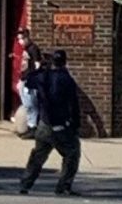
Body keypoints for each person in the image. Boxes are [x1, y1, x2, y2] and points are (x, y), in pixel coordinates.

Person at [20, 49, 82, 196]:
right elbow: (73, 104)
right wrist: (75, 124)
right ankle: (63, 186)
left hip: (44, 123)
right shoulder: (67, 79)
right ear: (64, 62)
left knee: (38, 156)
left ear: (52, 62)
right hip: (61, 125)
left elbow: (27, 80)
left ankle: (25, 184)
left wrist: (41, 68)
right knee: (72, 153)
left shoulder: (42, 77)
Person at [16, 28, 42, 139]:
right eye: (18, 39)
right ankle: (30, 127)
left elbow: (37, 65)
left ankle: (33, 128)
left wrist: (31, 79)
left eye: (22, 38)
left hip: (30, 81)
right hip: (25, 80)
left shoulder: (33, 49)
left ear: (27, 37)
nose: (20, 41)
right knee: (27, 105)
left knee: (31, 105)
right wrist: (21, 80)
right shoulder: (26, 49)